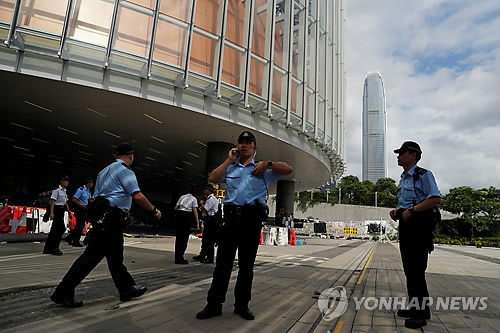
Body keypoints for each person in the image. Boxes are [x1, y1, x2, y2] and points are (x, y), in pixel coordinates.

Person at [50, 143, 161, 308]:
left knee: (116, 258)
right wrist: (154, 211)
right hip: (112, 218)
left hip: (104, 217)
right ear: (131, 156)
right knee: (90, 257)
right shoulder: (125, 171)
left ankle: (126, 288)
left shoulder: (103, 172)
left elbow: (96, 197)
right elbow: (137, 196)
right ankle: (62, 292)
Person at [196, 131, 293, 320]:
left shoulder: (263, 169)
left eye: (248, 143)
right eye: (241, 142)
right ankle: (214, 304)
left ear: (255, 148)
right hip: (231, 219)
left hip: (251, 220)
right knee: (223, 265)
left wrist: (267, 164)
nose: (244, 145)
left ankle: (242, 305)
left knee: (246, 266)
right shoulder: (231, 168)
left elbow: (288, 169)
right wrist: (227, 160)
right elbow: (214, 178)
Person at [389, 141, 441, 329]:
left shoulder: (423, 175)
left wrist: (412, 210)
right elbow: (408, 202)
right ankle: (416, 307)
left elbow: (435, 198)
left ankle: (420, 314)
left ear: (413, 155)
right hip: (407, 224)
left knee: (416, 270)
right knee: (410, 269)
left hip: (420, 225)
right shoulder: (403, 177)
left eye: (401, 153)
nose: (398, 156)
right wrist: (399, 211)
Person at [43, 175, 71, 256]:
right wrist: (52, 213)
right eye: (66, 181)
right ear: (62, 181)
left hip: (61, 210)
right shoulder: (57, 190)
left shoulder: (64, 191)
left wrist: (68, 210)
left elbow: (65, 202)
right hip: (56, 210)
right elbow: (52, 201)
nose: (67, 182)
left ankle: (49, 248)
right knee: (60, 229)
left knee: (55, 230)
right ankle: (54, 247)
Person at [193, 185, 219, 264]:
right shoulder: (210, 199)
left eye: (205, 189)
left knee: (209, 240)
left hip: (211, 221)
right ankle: (202, 255)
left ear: (209, 191)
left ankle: (209, 258)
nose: (204, 191)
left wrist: (201, 204)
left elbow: (205, 209)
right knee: (205, 240)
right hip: (209, 221)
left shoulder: (211, 199)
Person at [65, 177, 94, 247]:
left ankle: (70, 238)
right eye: (91, 183)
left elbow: (89, 200)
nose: (92, 184)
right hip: (79, 209)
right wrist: (81, 205)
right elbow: (74, 199)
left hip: (85, 208)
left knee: (80, 226)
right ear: (88, 183)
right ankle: (75, 240)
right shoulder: (81, 190)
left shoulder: (88, 190)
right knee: (80, 226)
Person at [174, 188, 199, 264]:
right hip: (187, 216)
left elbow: (176, 207)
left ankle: (177, 257)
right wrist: (197, 223)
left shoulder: (182, 197)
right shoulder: (194, 199)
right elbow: (195, 211)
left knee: (178, 238)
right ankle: (181, 257)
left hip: (180, 215)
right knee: (184, 238)